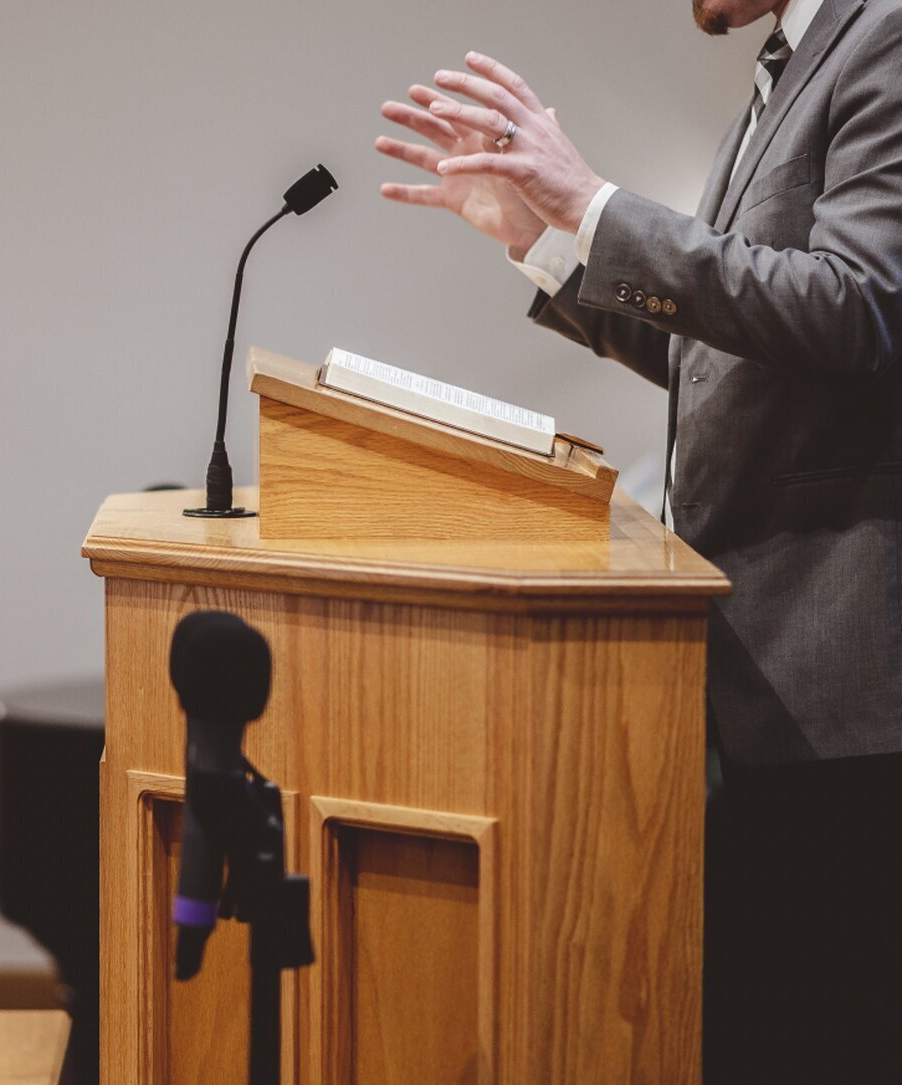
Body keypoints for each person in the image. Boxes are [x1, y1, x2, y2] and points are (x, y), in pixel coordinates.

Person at [378, 1, 902, 1081]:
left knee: (835, 1035)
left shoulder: (885, 32)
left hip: (845, 670)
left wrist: (595, 202)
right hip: (758, 670)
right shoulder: (783, 68)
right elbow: (732, 361)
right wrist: (546, 245)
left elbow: (858, 308)